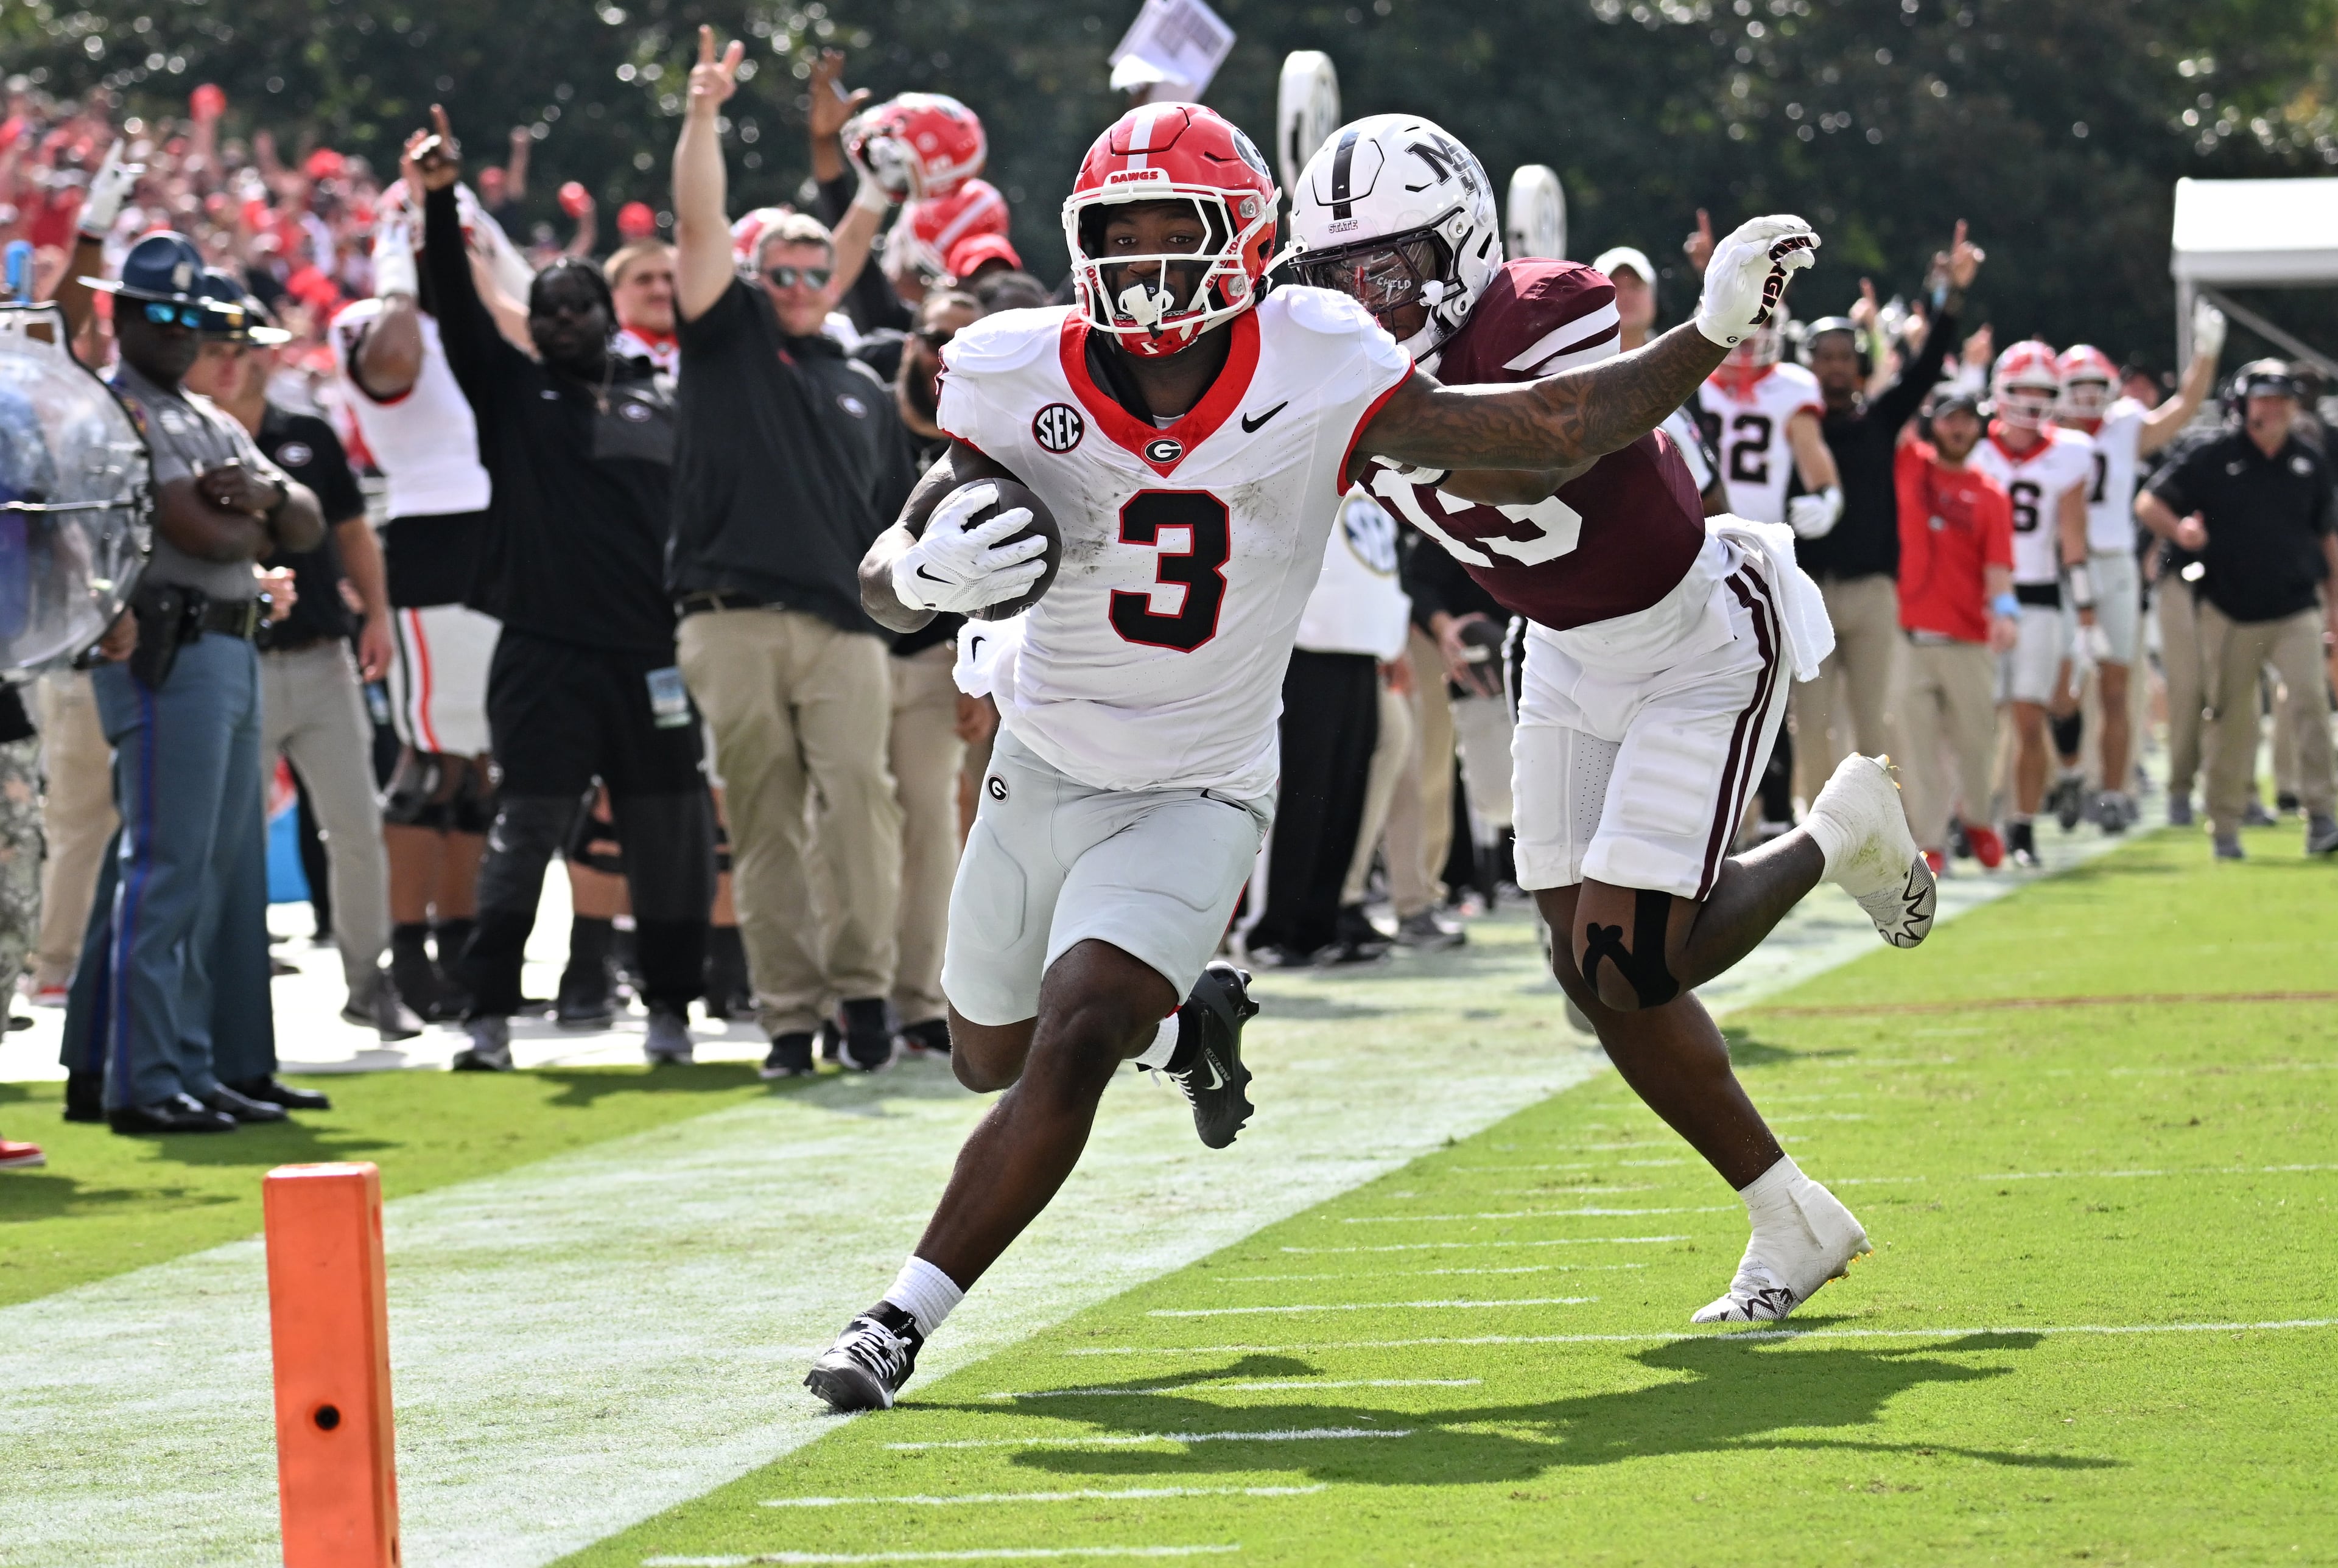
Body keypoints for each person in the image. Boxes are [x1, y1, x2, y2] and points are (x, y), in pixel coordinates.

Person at [805, 95, 1843, 1412]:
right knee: (985, 1055)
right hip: (1044, 757)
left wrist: (1703, 333)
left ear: (1239, 240)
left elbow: (1538, 440)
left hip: (1205, 778)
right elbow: (891, 563)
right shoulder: (1015, 364)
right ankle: (1187, 1019)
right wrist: (913, 574)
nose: (1142, 265)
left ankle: (896, 1321)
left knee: (1072, 1038)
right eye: (1115, 238)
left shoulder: (1318, 353)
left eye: (1171, 232)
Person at [1290, 114, 1923, 1329]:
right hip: (1564, 649)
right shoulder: (1331, 362)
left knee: (1632, 959)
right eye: (1338, 277)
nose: (1367, 302)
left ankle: (1839, 830)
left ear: (1462, 244)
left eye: (1388, 270)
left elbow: (1543, 450)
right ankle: (1790, 1217)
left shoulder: (1534, 303)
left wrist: (1709, 331)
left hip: (1694, 629)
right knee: (1586, 975)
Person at [405, 108, 715, 1069]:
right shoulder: (511, 394)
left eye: (580, 306)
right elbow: (454, 307)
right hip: (542, 653)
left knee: (670, 838)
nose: (564, 319)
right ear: (532, 325)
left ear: (609, 316)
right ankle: (488, 1017)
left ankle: (670, 1009)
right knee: (525, 831)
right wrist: (441, 196)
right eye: (548, 309)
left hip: (651, 658)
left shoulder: (662, 400)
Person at [668, 32, 907, 1078]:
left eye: (821, 267)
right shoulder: (726, 342)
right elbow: (697, 222)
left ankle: (863, 999)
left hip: (845, 624)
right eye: (786, 268)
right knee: (762, 825)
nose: (807, 279)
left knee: (861, 806)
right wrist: (703, 116)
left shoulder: (856, 374)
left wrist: (869, 186)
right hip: (729, 618)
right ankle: (788, 1020)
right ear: (756, 276)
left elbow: (852, 236)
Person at [63, 232, 327, 1132]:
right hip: (166, 649)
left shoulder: (206, 416)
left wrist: (257, 508)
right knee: (168, 869)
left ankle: (199, 1064)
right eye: (163, 315)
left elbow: (306, 520)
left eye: (195, 319)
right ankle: (146, 1079)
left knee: (219, 871)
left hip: (230, 640)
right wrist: (256, 516)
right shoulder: (115, 409)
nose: (182, 333)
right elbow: (206, 529)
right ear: (123, 315)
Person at [180, 278, 420, 1041]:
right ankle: (231, 985)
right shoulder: (185, 437)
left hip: (319, 654)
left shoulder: (306, 434)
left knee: (356, 822)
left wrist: (377, 613)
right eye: (222, 348)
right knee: (229, 836)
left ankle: (369, 978)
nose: (238, 362)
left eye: (244, 347)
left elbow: (352, 532)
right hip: (231, 654)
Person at [329, 203, 500, 1022]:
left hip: (500, 539)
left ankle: (463, 941)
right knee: (430, 757)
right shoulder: (373, 319)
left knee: (477, 767)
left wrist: (489, 256)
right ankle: (406, 944)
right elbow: (393, 361)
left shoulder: (475, 321)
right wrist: (396, 258)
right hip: (432, 536)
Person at [1799, 225, 1984, 788]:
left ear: (1856, 363)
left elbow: (1925, 367)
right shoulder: (1792, 421)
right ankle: (1817, 836)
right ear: (1808, 364)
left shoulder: (1876, 420)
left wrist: (1949, 296)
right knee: (1810, 724)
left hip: (1874, 590)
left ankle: (1876, 831)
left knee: (1874, 727)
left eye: (1841, 356)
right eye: (1822, 357)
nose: (1833, 366)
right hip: (1807, 591)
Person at [2136, 360, 2338, 858]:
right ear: (2242, 405)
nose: (2274, 409)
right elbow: (2149, 502)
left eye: (2283, 400)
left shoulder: (2308, 461)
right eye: (2264, 399)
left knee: (2311, 701)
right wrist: (2180, 529)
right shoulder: (2212, 455)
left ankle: (2324, 814)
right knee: (2231, 716)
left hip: (2295, 605)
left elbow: (2329, 536)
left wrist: (2335, 606)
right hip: (2229, 607)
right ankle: (2224, 822)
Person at [2053, 301, 2226, 830]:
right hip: (2061, 567)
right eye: (2075, 385)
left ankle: (2111, 790)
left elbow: (2184, 407)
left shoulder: (2125, 424)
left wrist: (2206, 355)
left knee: (2114, 686)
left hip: (2117, 564)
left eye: (2093, 385)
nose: (2085, 396)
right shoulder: (2046, 433)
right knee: (2061, 686)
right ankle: (2068, 776)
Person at [1967, 341, 2099, 868]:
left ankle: (2021, 826)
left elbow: (2073, 540)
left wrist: (2086, 613)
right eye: (2022, 389)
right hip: (1980, 598)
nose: (2031, 400)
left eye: (2043, 392)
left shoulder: (2069, 453)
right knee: (1976, 718)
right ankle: (1971, 817)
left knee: (2028, 718)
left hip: (2041, 596)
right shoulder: (1972, 447)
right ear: (2001, 390)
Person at [1894, 389, 2017, 870]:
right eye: (1949, 421)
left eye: (1967, 421)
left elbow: (1999, 567)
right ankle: (1932, 842)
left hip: (1968, 639)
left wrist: (2006, 613)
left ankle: (1980, 820)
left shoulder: (1991, 494)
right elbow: (1893, 401)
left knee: (1977, 743)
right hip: (1909, 637)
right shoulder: (1910, 464)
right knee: (1918, 751)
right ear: (1933, 424)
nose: (1959, 429)